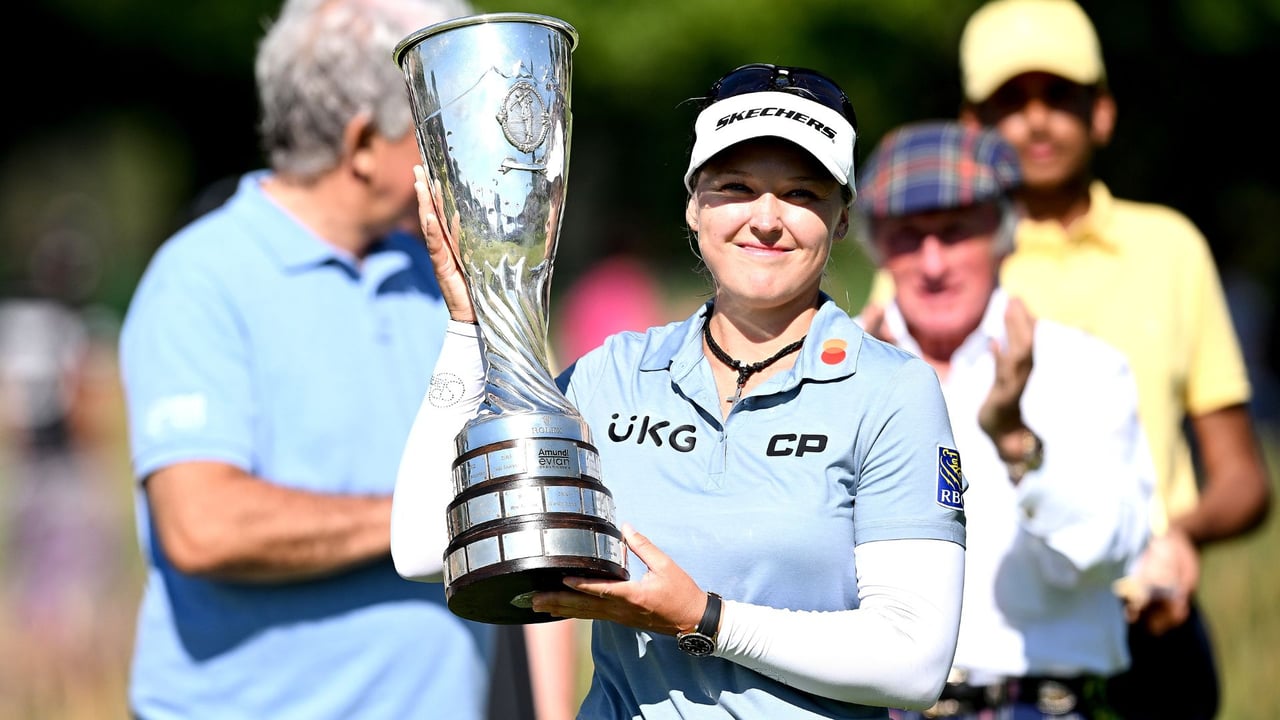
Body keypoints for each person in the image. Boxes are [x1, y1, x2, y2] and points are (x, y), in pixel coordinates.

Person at [392, 62, 968, 718]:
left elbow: (914, 662)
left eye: (804, 194)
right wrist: (471, 324)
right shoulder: (614, 375)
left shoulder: (891, 392)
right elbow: (422, 545)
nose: (767, 219)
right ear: (694, 205)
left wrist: (703, 619)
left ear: (840, 220)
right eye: (736, 187)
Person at [117, 0, 577, 718]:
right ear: (362, 144)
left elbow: (528, 515)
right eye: (434, 125)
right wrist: (438, 517)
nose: (454, 150)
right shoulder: (200, 276)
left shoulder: (446, 274)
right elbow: (203, 527)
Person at [953, 2, 1274, 718]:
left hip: (1148, 615)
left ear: (1101, 113)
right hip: (996, 640)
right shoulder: (939, 263)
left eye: (1059, 97)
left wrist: (1178, 537)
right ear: (971, 130)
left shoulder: (1169, 248)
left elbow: (1244, 479)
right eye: (1010, 102)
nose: (1036, 121)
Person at [854, 120, 1152, 719]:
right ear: (876, 246)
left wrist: (1016, 440)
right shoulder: (838, 371)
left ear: (1004, 233)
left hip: (1045, 706)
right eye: (908, 237)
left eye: (956, 232)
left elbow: (1108, 552)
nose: (932, 263)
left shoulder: (1082, 368)